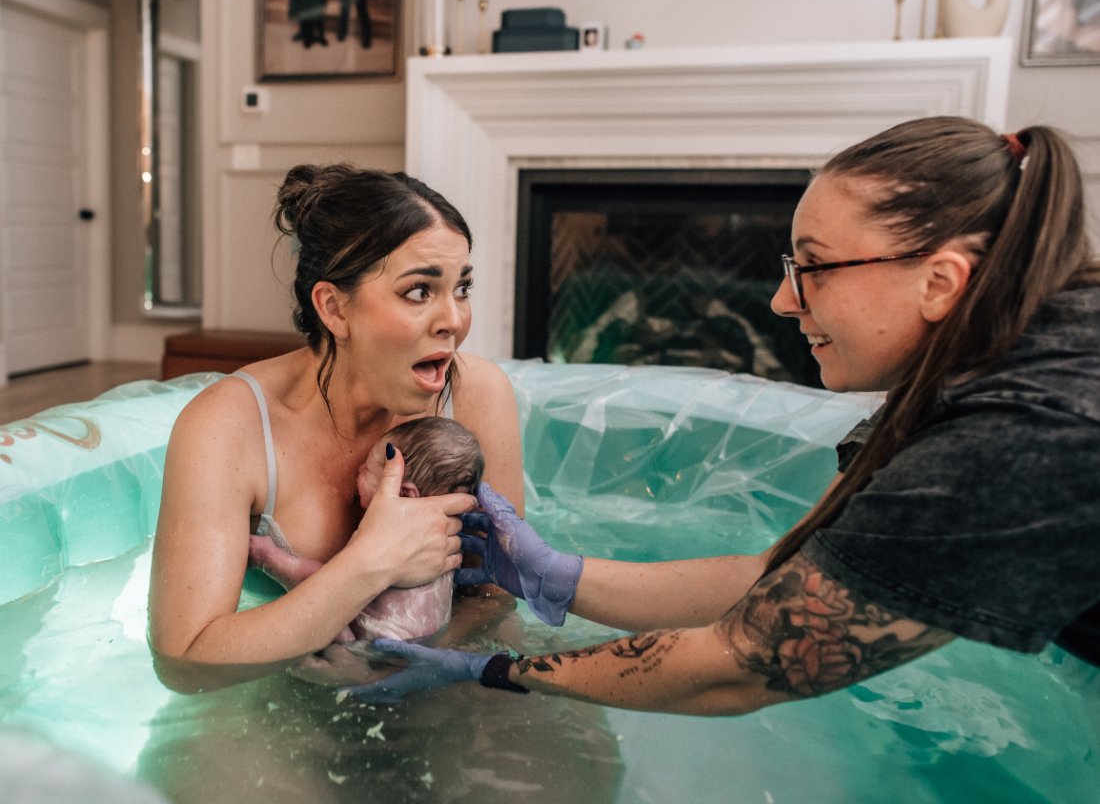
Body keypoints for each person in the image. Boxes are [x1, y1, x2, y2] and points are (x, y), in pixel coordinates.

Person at [344, 116, 1100, 711]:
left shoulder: (1022, 435)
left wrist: (490, 669)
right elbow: (788, 579)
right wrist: (559, 575)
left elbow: (742, 665)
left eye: (814, 267)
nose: (780, 300)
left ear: (940, 282)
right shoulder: (992, 363)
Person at [147, 165, 524, 694]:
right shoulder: (230, 427)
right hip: (284, 692)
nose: (454, 320)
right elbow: (185, 662)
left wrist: (401, 663)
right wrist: (371, 562)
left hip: (442, 668)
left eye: (461, 287)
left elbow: (493, 594)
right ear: (334, 307)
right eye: (419, 291)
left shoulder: (476, 395)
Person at [248, 415, 485, 645]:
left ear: (403, 492)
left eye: (368, 469)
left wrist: (267, 556)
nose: (358, 468)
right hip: (424, 643)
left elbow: (325, 586)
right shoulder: (443, 540)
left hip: (366, 648)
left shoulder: (387, 537)